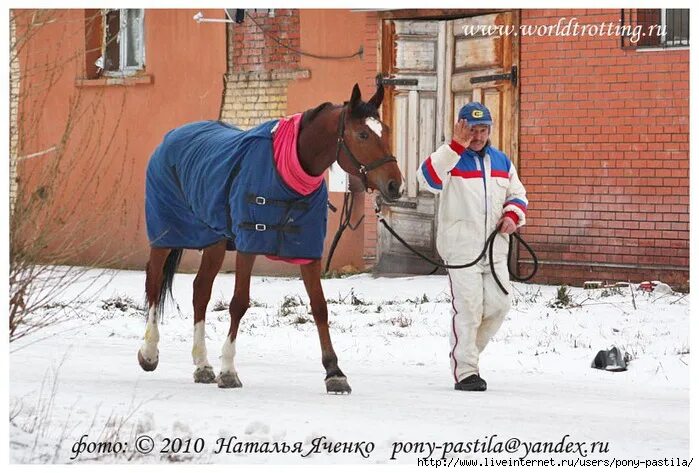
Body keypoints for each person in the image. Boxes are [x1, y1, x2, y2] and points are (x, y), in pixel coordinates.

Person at [417, 102, 528, 392]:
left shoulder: (502, 161)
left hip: (495, 248)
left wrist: (512, 215)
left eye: (482, 130)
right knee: (468, 308)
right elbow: (426, 178)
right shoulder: (450, 158)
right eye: (472, 130)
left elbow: (517, 194)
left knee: (499, 305)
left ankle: (466, 354)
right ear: (461, 127)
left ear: (489, 129)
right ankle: (466, 370)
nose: (477, 136)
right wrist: (455, 146)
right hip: (461, 247)